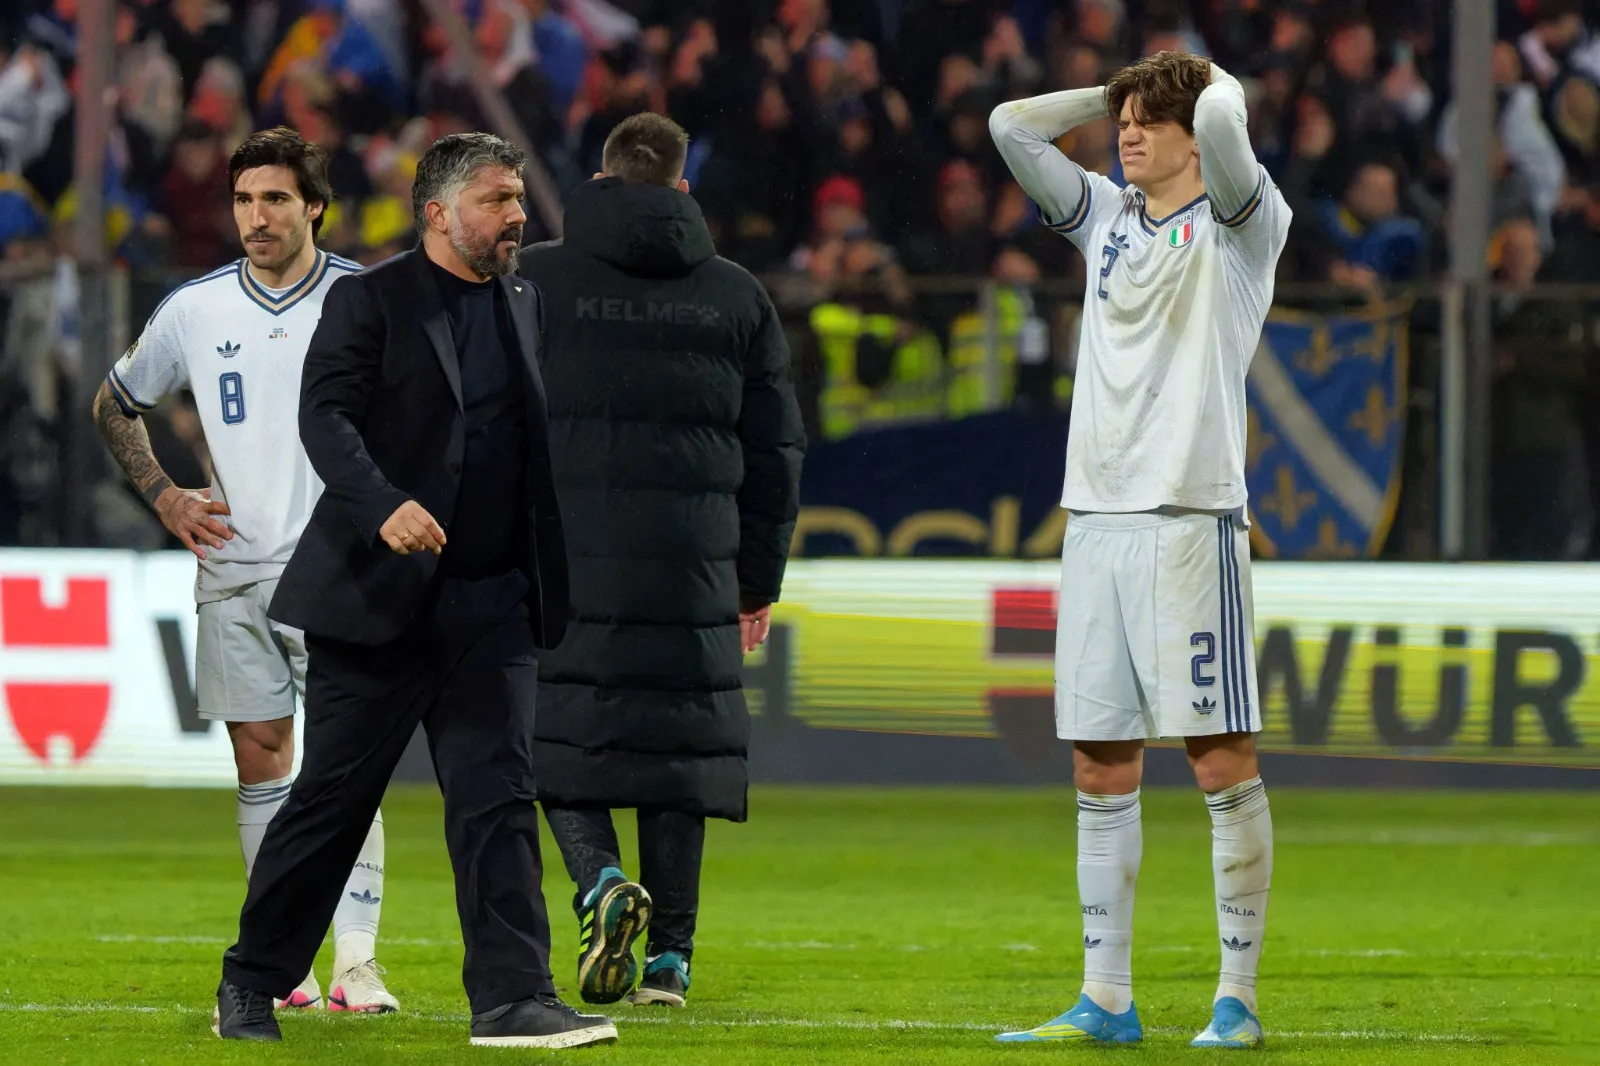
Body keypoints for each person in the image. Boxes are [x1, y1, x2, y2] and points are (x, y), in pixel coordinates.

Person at [211, 132, 615, 1050]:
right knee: (332, 804)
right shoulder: (372, 299)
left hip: (492, 602)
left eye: (517, 197)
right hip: (379, 603)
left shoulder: (524, 300)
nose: (518, 215)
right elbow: (325, 416)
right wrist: (383, 503)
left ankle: (513, 1000)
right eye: (497, 199)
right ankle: (252, 981)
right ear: (438, 213)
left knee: (498, 800)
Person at [988, 51, 1290, 1048]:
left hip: (1189, 519)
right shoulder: (1105, 219)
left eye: (1148, 122)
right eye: (1122, 120)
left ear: (1191, 135)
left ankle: (1236, 1000)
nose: (1126, 133)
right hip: (1095, 522)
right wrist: (1118, 89)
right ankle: (1105, 999)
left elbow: (1224, 124)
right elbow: (1010, 126)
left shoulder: (1244, 224)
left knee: (1218, 757)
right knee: (1098, 762)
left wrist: (1203, 80)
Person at [92, 127, 397, 1016]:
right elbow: (114, 402)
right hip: (231, 568)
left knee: (343, 769)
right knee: (261, 762)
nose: (255, 218)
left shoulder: (364, 299)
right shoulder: (195, 308)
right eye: (242, 200)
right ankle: (283, 965)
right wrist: (165, 496)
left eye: (274, 199)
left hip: (339, 569)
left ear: (315, 207)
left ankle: (358, 964)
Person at [517, 112, 805, 1009]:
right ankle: (670, 960)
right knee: (677, 749)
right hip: (695, 568)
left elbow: (490, 417)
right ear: (684, 189)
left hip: (565, 558)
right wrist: (755, 581)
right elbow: (777, 451)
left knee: (556, 737)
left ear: (601, 179)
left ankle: (602, 883)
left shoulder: (535, 280)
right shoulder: (737, 295)